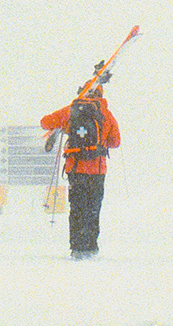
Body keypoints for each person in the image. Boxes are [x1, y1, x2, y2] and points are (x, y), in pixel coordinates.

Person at [39, 75, 122, 257]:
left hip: (75, 169)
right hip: (97, 171)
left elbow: (45, 122)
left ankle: (77, 248)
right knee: (93, 209)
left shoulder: (72, 111)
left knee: (77, 208)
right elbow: (115, 142)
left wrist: (67, 126)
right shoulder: (106, 114)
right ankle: (91, 247)